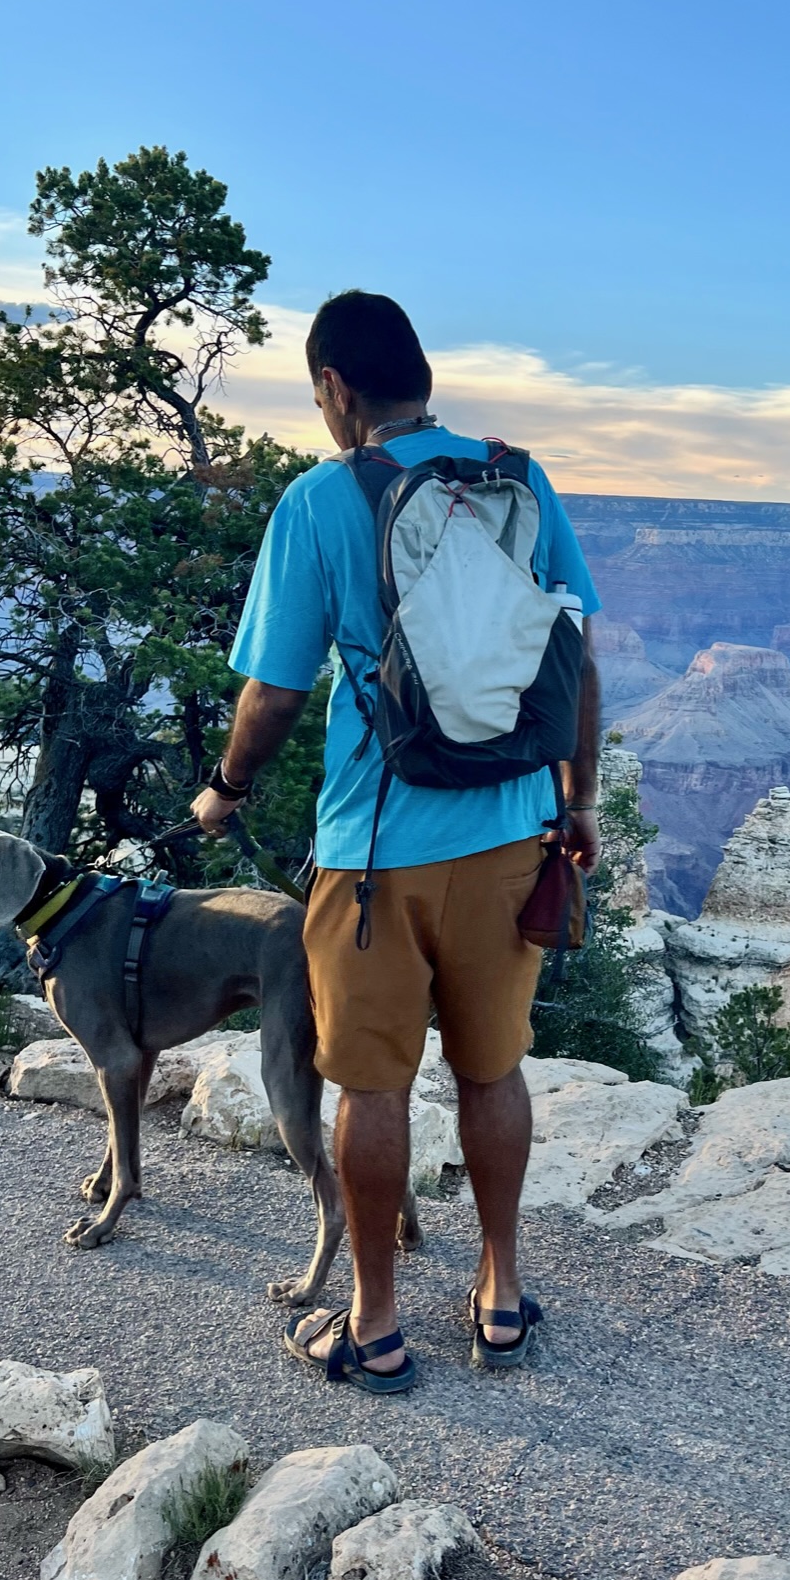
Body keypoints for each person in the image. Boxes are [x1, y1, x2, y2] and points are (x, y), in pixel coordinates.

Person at [191, 289, 602, 1392]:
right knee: (494, 1071)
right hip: (515, 834)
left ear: (334, 390)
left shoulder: (322, 498)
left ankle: (373, 1324)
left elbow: (273, 692)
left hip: (377, 857)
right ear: (424, 377)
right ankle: (501, 1296)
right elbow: (577, 655)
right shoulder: (517, 473)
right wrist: (580, 805)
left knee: (371, 1091)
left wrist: (225, 790)